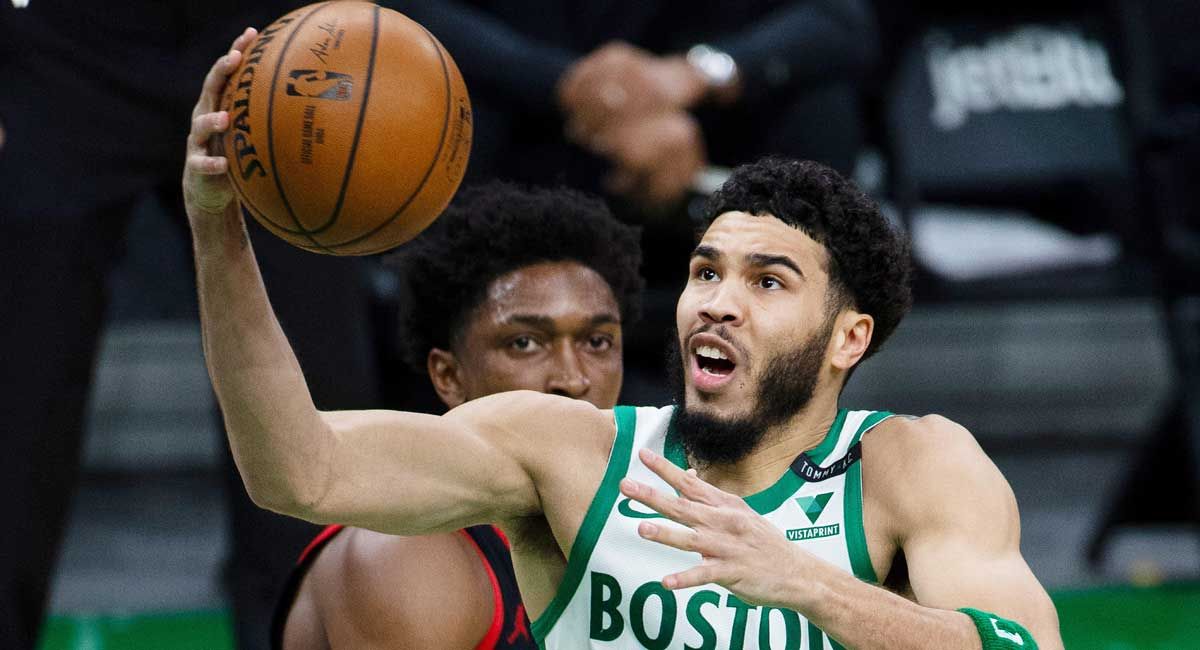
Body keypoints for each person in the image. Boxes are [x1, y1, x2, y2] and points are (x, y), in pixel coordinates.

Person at [189, 32, 1063, 649]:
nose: (718, 302)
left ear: (848, 338)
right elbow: (299, 470)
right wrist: (218, 228)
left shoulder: (915, 464)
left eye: (767, 282)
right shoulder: (570, 452)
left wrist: (808, 585)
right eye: (706, 271)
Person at [270, 181, 645, 649]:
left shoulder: (647, 519)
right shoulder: (405, 556)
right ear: (448, 375)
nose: (572, 378)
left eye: (597, 342)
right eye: (525, 343)